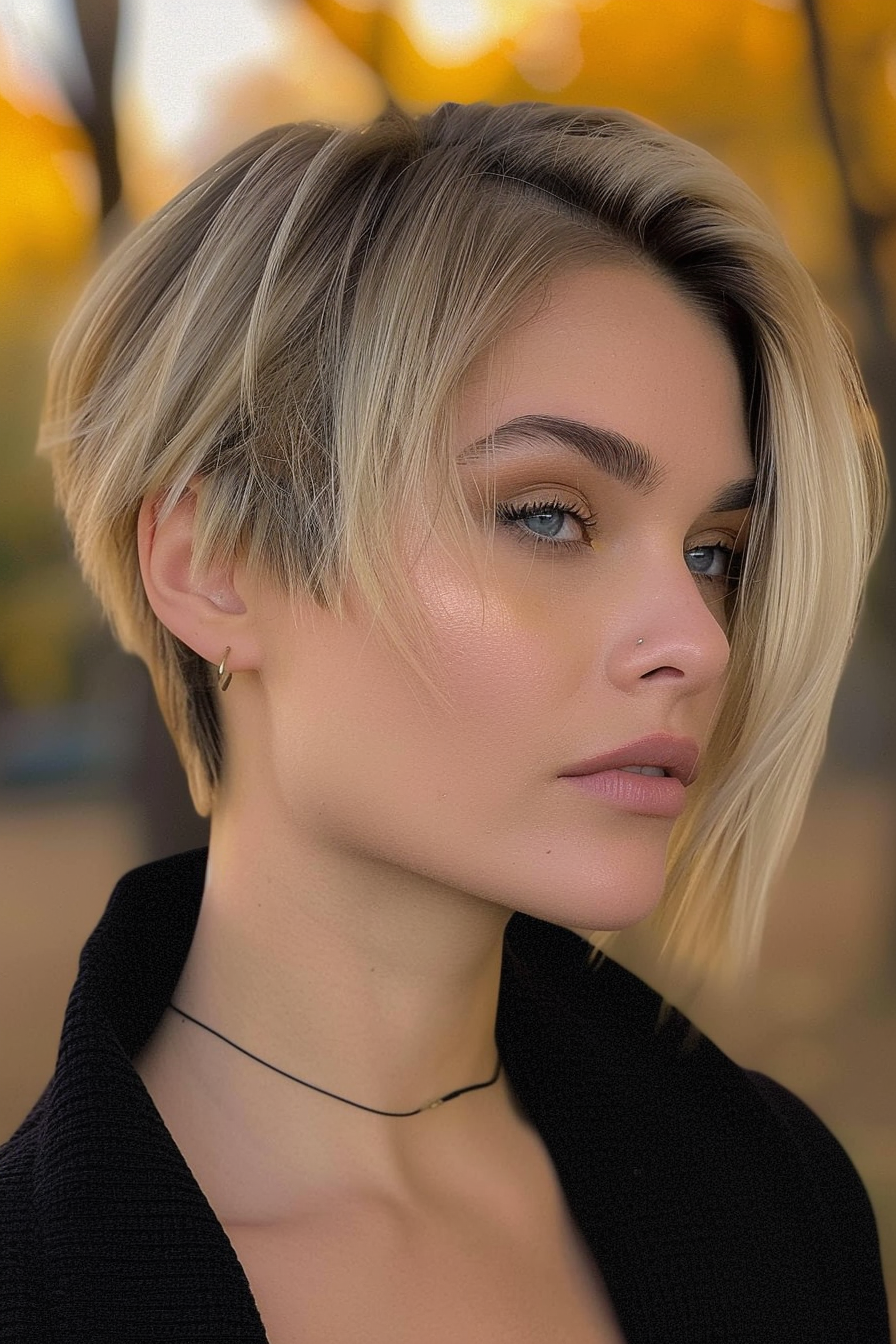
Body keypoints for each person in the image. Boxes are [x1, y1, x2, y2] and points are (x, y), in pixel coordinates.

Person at [0, 99, 890, 1343]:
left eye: (712, 551)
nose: (695, 639)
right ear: (211, 567)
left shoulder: (780, 1198)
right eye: (547, 515)